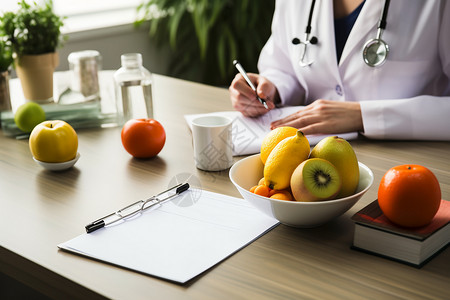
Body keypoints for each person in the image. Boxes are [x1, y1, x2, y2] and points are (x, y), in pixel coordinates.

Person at [229, 0, 450, 140]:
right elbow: (284, 65)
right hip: (310, 156)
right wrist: (271, 88)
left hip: (409, 164)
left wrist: (364, 116)